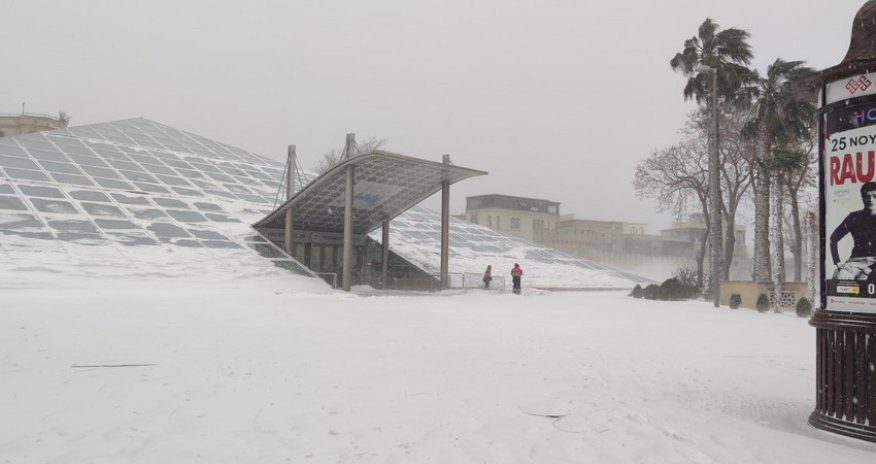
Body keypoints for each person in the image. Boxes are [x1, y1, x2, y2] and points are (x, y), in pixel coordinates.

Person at [830, 182, 876, 281]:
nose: (871, 200)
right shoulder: (854, 217)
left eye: (874, 196)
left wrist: (871, 268)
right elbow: (833, 238)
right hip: (855, 262)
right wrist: (837, 261)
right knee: (840, 278)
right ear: (862, 197)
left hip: (874, 262)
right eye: (867, 196)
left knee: (864, 281)